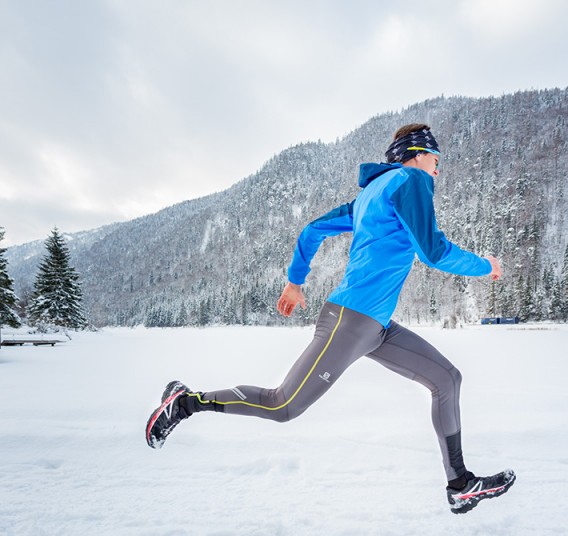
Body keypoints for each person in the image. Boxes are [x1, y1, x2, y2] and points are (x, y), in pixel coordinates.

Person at [145, 124, 515, 514]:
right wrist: (485, 266)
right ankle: (184, 403)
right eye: (436, 160)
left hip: (377, 328)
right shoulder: (410, 179)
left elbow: (312, 229)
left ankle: (460, 484)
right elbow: (434, 251)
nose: (438, 170)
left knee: (446, 378)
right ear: (418, 153)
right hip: (351, 321)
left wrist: (295, 282)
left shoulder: (370, 196)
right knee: (282, 405)